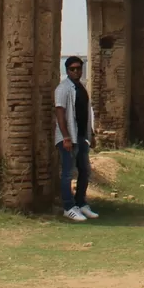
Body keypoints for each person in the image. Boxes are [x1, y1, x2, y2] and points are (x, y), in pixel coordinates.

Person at [54, 56, 98, 222]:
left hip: (80, 136)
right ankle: (68, 207)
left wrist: (91, 133)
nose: (76, 71)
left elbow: (84, 114)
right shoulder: (63, 89)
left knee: (85, 170)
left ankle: (80, 203)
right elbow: (60, 113)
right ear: (67, 70)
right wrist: (65, 136)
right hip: (68, 138)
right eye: (72, 69)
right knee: (67, 173)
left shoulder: (81, 87)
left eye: (79, 68)